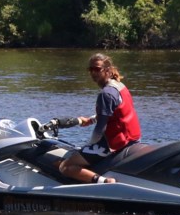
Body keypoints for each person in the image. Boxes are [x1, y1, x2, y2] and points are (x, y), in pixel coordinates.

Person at [58, 53, 141, 184]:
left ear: (107, 70)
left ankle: (105, 181)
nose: (93, 73)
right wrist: (90, 120)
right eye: (90, 69)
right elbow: (113, 115)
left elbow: (100, 129)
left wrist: (88, 145)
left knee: (65, 166)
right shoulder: (119, 86)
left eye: (97, 69)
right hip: (131, 139)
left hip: (114, 144)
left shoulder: (106, 94)